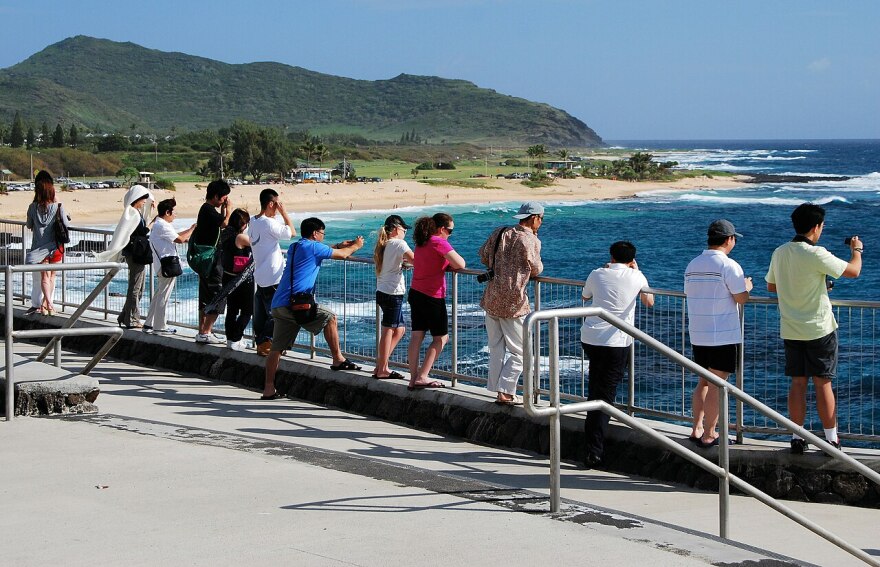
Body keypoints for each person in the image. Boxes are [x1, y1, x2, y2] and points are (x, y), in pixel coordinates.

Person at [765, 203, 863, 454]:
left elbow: (772, 287)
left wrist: (814, 284)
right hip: (819, 329)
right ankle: (831, 439)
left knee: (798, 384)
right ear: (816, 227)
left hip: (791, 329)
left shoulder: (780, 252)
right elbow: (853, 271)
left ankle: (797, 437)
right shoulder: (816, 253)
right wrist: (857, 250)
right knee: (823, 384)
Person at [261, 217, 365, 399]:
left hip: (279, 304)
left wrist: (339, 244)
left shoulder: (296, 246)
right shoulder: (315, 248)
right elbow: (342, 255)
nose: (324, 236)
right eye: (323, 233)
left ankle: (269, 389)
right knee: (330, 317)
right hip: (295, 305)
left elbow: (324, 250)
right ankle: (338, 359)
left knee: (276, 348)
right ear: (316, 233)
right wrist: (356, 245)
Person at [580, 241, 654, 467]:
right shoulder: (637, 276)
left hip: (591, 338)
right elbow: (649, 302)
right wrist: (637, 272)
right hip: (617, 341)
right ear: (632, 259)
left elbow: (585, 296)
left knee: (596, 388)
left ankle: (592, 446)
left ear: (611, 257)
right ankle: (594, 451)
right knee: (604, 395)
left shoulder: (596, 273)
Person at [684, 220, 753, 448]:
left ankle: (697, 428)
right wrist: (747, 287)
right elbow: (741, 297)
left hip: (698, 333)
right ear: (729, 239)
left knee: (703, 382)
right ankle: (710, 434)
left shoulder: (693, 264)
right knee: (717, 385)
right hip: (722, 335)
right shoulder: (729, 265)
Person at [478, 202, 544, 404]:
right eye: (541, 218)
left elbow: (483, 256)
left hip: (492, 297)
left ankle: (496, 388)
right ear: (534, 218)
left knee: (496, 348)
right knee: (522, 352)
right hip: (514, 302)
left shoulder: (500, 232)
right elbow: (536, 269)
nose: (541, 222)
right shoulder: (530, 240)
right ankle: (505, 391)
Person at [406, 213, 466, 390]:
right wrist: (448, 264)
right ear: (441, 229)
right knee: (441, 338)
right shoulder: (439, 242)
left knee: (417, 335)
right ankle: (423, 376)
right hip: (432, 296)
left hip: (416, 292)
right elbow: (461, 264)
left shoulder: (421, 242)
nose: (450, 234)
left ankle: (413, 378)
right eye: (450, 231)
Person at [96, 184, 155, 329]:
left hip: (133, 253)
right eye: (142, 200)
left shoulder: (134, 212)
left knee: (137, 287)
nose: (144, 203)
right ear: (137, 199)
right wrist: (153, 223)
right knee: (135, 288)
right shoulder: (133, 213)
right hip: (136, 254)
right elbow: (142, 231)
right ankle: (131, 319)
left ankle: (124, 316)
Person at [248, 188, 295, 356]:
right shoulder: (269, 224)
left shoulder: (253, 221)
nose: (278, 207)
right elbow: (292, 232)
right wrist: (284, 213)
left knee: (262, 314)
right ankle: (268, 343)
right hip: (273, 275)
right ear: (270, 203)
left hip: (260, 275)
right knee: (279, 313)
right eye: (276, 204)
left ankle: (262, 344)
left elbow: (269, 224)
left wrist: (275, 213)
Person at [143, 199, 195, 334]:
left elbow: (177, 236)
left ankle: (149, 324)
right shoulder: (162, 226)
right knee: (163, 296)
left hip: (161, 264)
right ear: (167, 212)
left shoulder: (160, 224)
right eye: (174, 212)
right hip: (166, 265)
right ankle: (159, 326)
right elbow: (180, 239)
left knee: (159, 293)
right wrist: (192, 229)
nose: (175, 215)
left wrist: (188, 232)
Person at [191, 179, 233, 344]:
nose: (224, 200)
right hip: (212, 261)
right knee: (217, 294)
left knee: (205, 296)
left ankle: (202, 331)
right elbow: (225, 224)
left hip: (204, 261)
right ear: (216, 196)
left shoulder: (206, 209)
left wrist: (223, 210)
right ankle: (206, 331)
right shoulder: (208, 209)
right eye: (223, 197)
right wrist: (228, 211)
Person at [373, 214, 414, 380]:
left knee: (400, 329)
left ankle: (380, 364)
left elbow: (391, 264)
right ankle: (382, 369)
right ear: (397, 229)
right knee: (389, 330)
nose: (405, 233)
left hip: (383, 291)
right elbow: (416, 260)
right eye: (404, 230)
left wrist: (404, 265)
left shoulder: (385, 244)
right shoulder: (399, 243)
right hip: (392, 293)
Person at [25, 171, 69, 316]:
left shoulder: (32, 207)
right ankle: (47, 304)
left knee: (44, 277)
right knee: (52, 277)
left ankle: (45, 304)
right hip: (56, 246)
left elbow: (29, 225)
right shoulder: (58, 207)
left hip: (39, 247)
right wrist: (56, 201)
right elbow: (66, 223)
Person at [216, 209, 253, 351]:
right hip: (241, 280)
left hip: (227, 276)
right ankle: (236, 337)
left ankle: (230, 339)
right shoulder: (240, 238)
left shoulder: (225, 234)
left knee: (232, 310)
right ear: (243, 224)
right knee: (247, 310)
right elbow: (257, 244)